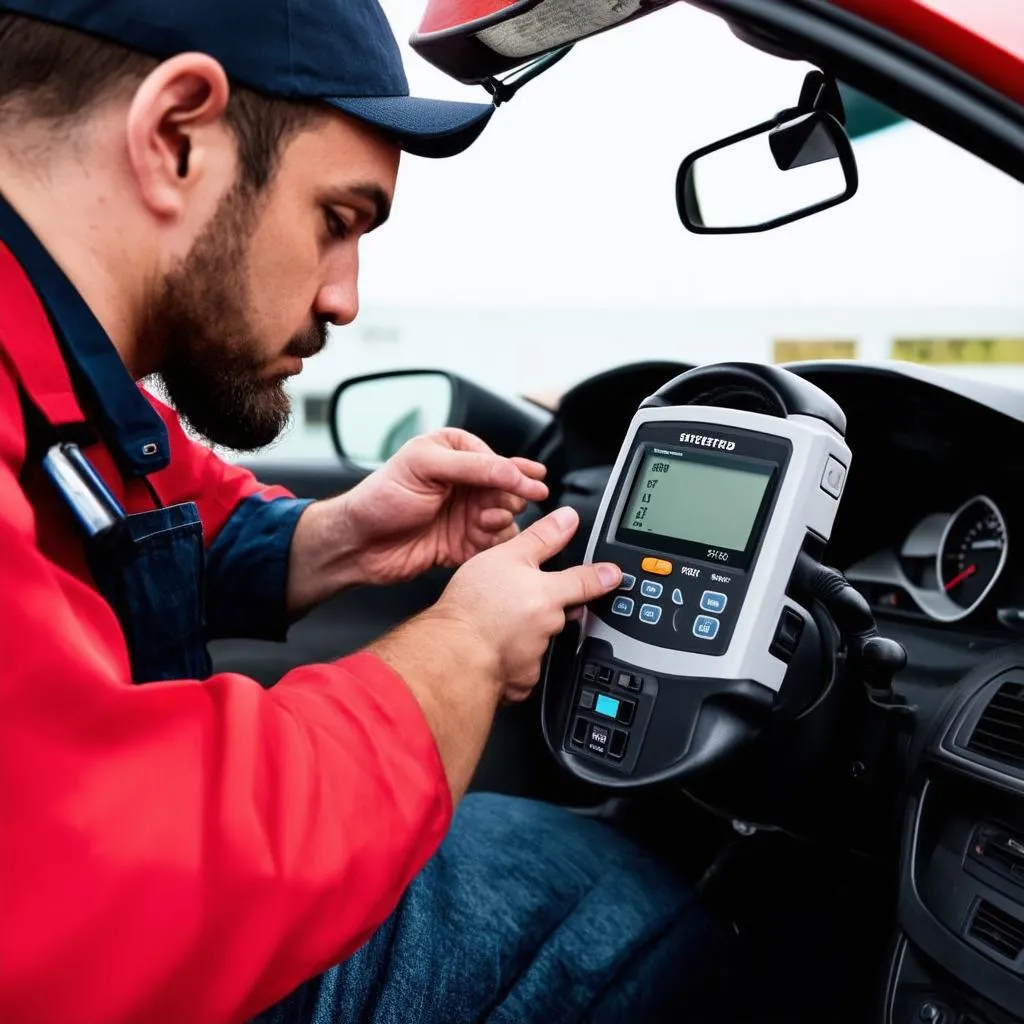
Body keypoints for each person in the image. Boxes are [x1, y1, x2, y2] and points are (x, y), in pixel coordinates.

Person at [0, 1, 721, 1021]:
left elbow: (122, 509)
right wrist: (466, 648)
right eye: (336, 220)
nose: (343, 298)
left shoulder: (51, 366)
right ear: (175, 135)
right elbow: (93, 878)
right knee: (617, 914)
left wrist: (324, 535)